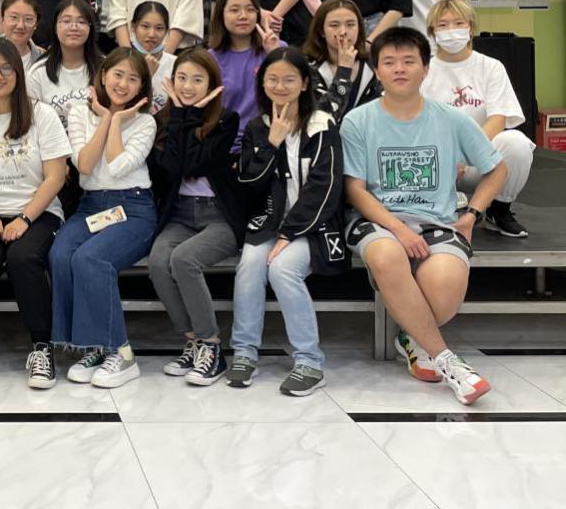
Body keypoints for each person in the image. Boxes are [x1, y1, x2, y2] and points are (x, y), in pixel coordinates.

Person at [343, 27, 506, 405]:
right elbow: (355, 189)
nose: (399, 69)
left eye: (408, 61)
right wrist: (398, 229)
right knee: (388, 254)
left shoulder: (451, 119)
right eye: (389, 62)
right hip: (378, 220)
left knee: (447, 286)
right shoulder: (357, 120)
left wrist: (472, 214)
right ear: (377, 71)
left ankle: (413, 338)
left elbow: (497, 169)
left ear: (426, 69)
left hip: (437, 221)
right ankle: (448, 361)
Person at [229, 46, 345, 396]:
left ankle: (310, 361)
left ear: (305, 83)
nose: (280, 87)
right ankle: (244, 352)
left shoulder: (321, 125)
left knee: (282, 269)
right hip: (269, 222)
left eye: (289, 79)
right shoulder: (257, 127)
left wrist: (290, 233)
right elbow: (249, 182)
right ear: (262, 83)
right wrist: (271, 143)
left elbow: (325, 188)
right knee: (250, 264)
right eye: (272, 79)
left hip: (315, 227)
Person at [0, 38, 71, 389]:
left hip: (37, 211)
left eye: (6, 68)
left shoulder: (42, 115)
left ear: (18, 72)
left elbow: (56, 177)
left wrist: (24, 219)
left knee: (23, 257)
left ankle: (42, 348)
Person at [51, 48, 157, 388]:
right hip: (91, 206)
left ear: (142, 86)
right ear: (103, 75)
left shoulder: (146, 121)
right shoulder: (79, 113)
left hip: (133, 209)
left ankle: (121, 353)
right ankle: (93, 346)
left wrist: (115, 120)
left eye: (133, 78)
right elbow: (84, 166)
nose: (123, 84)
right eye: (117, 74)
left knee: (91, 258)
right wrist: (106, 119)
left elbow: (116, 164)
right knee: (61, 254)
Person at [147, 49, 244, 386]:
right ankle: (193, 342)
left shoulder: (227, 120)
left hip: (219, 215)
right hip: (180, 213)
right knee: (159, 262)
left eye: (197, 80)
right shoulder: (163, 119)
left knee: (184, 259)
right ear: (172, 82)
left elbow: (195, 164)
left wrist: (187, 116)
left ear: (212, 84)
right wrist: (180, 114)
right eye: (182, 78)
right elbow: (173, 169)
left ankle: (212, 346)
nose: (188, 86)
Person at [422, 0, 534, 237]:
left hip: (478, 161)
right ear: (433, 31)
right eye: (443, 25)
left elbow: (498, 119)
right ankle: (439, 206)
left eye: (458, 23)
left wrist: (465, 153)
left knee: (517, 143)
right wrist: (445, 156)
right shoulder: (423, 71)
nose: (451, 30)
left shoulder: (491, 67)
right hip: (435, 163)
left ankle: (498, 210)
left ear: (470, 28)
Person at [208, 0, 280, 151]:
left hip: (269, 142)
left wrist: (274, 54)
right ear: (220, 15)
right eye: (234, 10)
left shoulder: (276, 49)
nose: (243, 16)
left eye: (250, 9)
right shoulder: (210, 58)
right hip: (225, 145)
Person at [302, 0, 381, 124]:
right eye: (334, 25)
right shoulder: (307, 67)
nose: (343, 32)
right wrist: (344, 70)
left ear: (359, 29)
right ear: (321, 31)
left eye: (350, 25)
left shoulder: (375, 64)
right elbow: (323, 117)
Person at [26, 0, 104, 127]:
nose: (74, 27)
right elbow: (32, 123)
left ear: (90, 28)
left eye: (81, 22)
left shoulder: (106, 67)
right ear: (55, 27)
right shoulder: (38, 73)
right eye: (66, 21)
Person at [131, 1, 176, 115]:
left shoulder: (176, 64)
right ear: (133, 26)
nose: (151, 34)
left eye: (159, 28)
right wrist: (146, 75)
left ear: (167, 31)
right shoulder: (120, 61)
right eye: (145, 26)